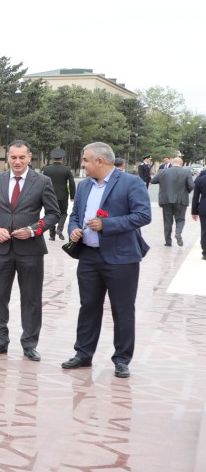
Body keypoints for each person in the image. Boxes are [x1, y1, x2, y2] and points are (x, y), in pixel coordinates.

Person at [63, 141, 150, 378]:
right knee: (88, 306)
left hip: (121, 258)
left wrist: (107, 225)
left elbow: (143, 215)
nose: (82, 165)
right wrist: (73, 229)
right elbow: (75, 215)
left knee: (122, 309)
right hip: (89, 257)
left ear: (100, 161)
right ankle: (83, 354)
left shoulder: (130, 182)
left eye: (85, 160)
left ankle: (122, 359)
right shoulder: (83, 187)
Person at [0, 140, 60, 362]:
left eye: (22, 157)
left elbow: (53, 214)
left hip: (30, 250)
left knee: (31, 298)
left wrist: (33, 230)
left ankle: (30, 343)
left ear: (30, 157)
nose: (17, 161)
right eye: (13, 157)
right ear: (8, 158)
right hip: (0, 249)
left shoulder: (42, 181)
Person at [150, 156, 195, 246]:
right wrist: (186, 191)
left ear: (172, 163)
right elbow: (191, 186)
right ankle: (178, 232)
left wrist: (163, 181)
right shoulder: (186, 172)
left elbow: (153, 181)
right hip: (181, 200)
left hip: (166, 200)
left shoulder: (163, 171)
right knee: (180, 219)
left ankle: (168, 241)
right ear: (181, 164)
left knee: (167, 221)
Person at [40, 148, 75, 240]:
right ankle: (59, 228)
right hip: (63, 195)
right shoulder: (67, 169)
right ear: (62, 159)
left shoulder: (47, 169)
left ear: (52, 159)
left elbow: (42, 182)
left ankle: (52, 236)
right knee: (63, 213)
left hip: (49, 196)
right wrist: (72, 196)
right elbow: (72, 183)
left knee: (50, 214)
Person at [192, 165, 206, 260]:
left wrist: (194, 211)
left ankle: (205, 252)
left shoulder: (200, 180)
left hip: (204, 208)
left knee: (204, 231)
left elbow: (195, 197)